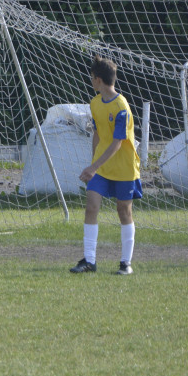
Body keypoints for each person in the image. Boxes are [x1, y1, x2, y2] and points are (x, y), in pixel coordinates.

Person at [70, 56, 142, 275]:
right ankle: (89, 261)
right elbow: (98, 135)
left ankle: (125, 263)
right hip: (101, 167)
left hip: (124, 167)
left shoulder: (122, 107)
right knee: (91, 206)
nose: (91, 82)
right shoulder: (94, 103)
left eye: (92, 78)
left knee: (124, 211)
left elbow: (117, 144)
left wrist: (93, 167)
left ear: (99, 80)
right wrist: (94, 164)